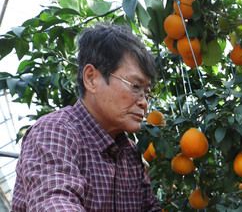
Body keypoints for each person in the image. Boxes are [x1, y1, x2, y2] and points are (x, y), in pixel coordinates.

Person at [12, 23, 161, 211]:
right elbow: (55, 202)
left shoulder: (129, 154)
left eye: (147, 92)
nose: (144, 102)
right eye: (135, 86)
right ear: (91, 78)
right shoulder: (55, 132)